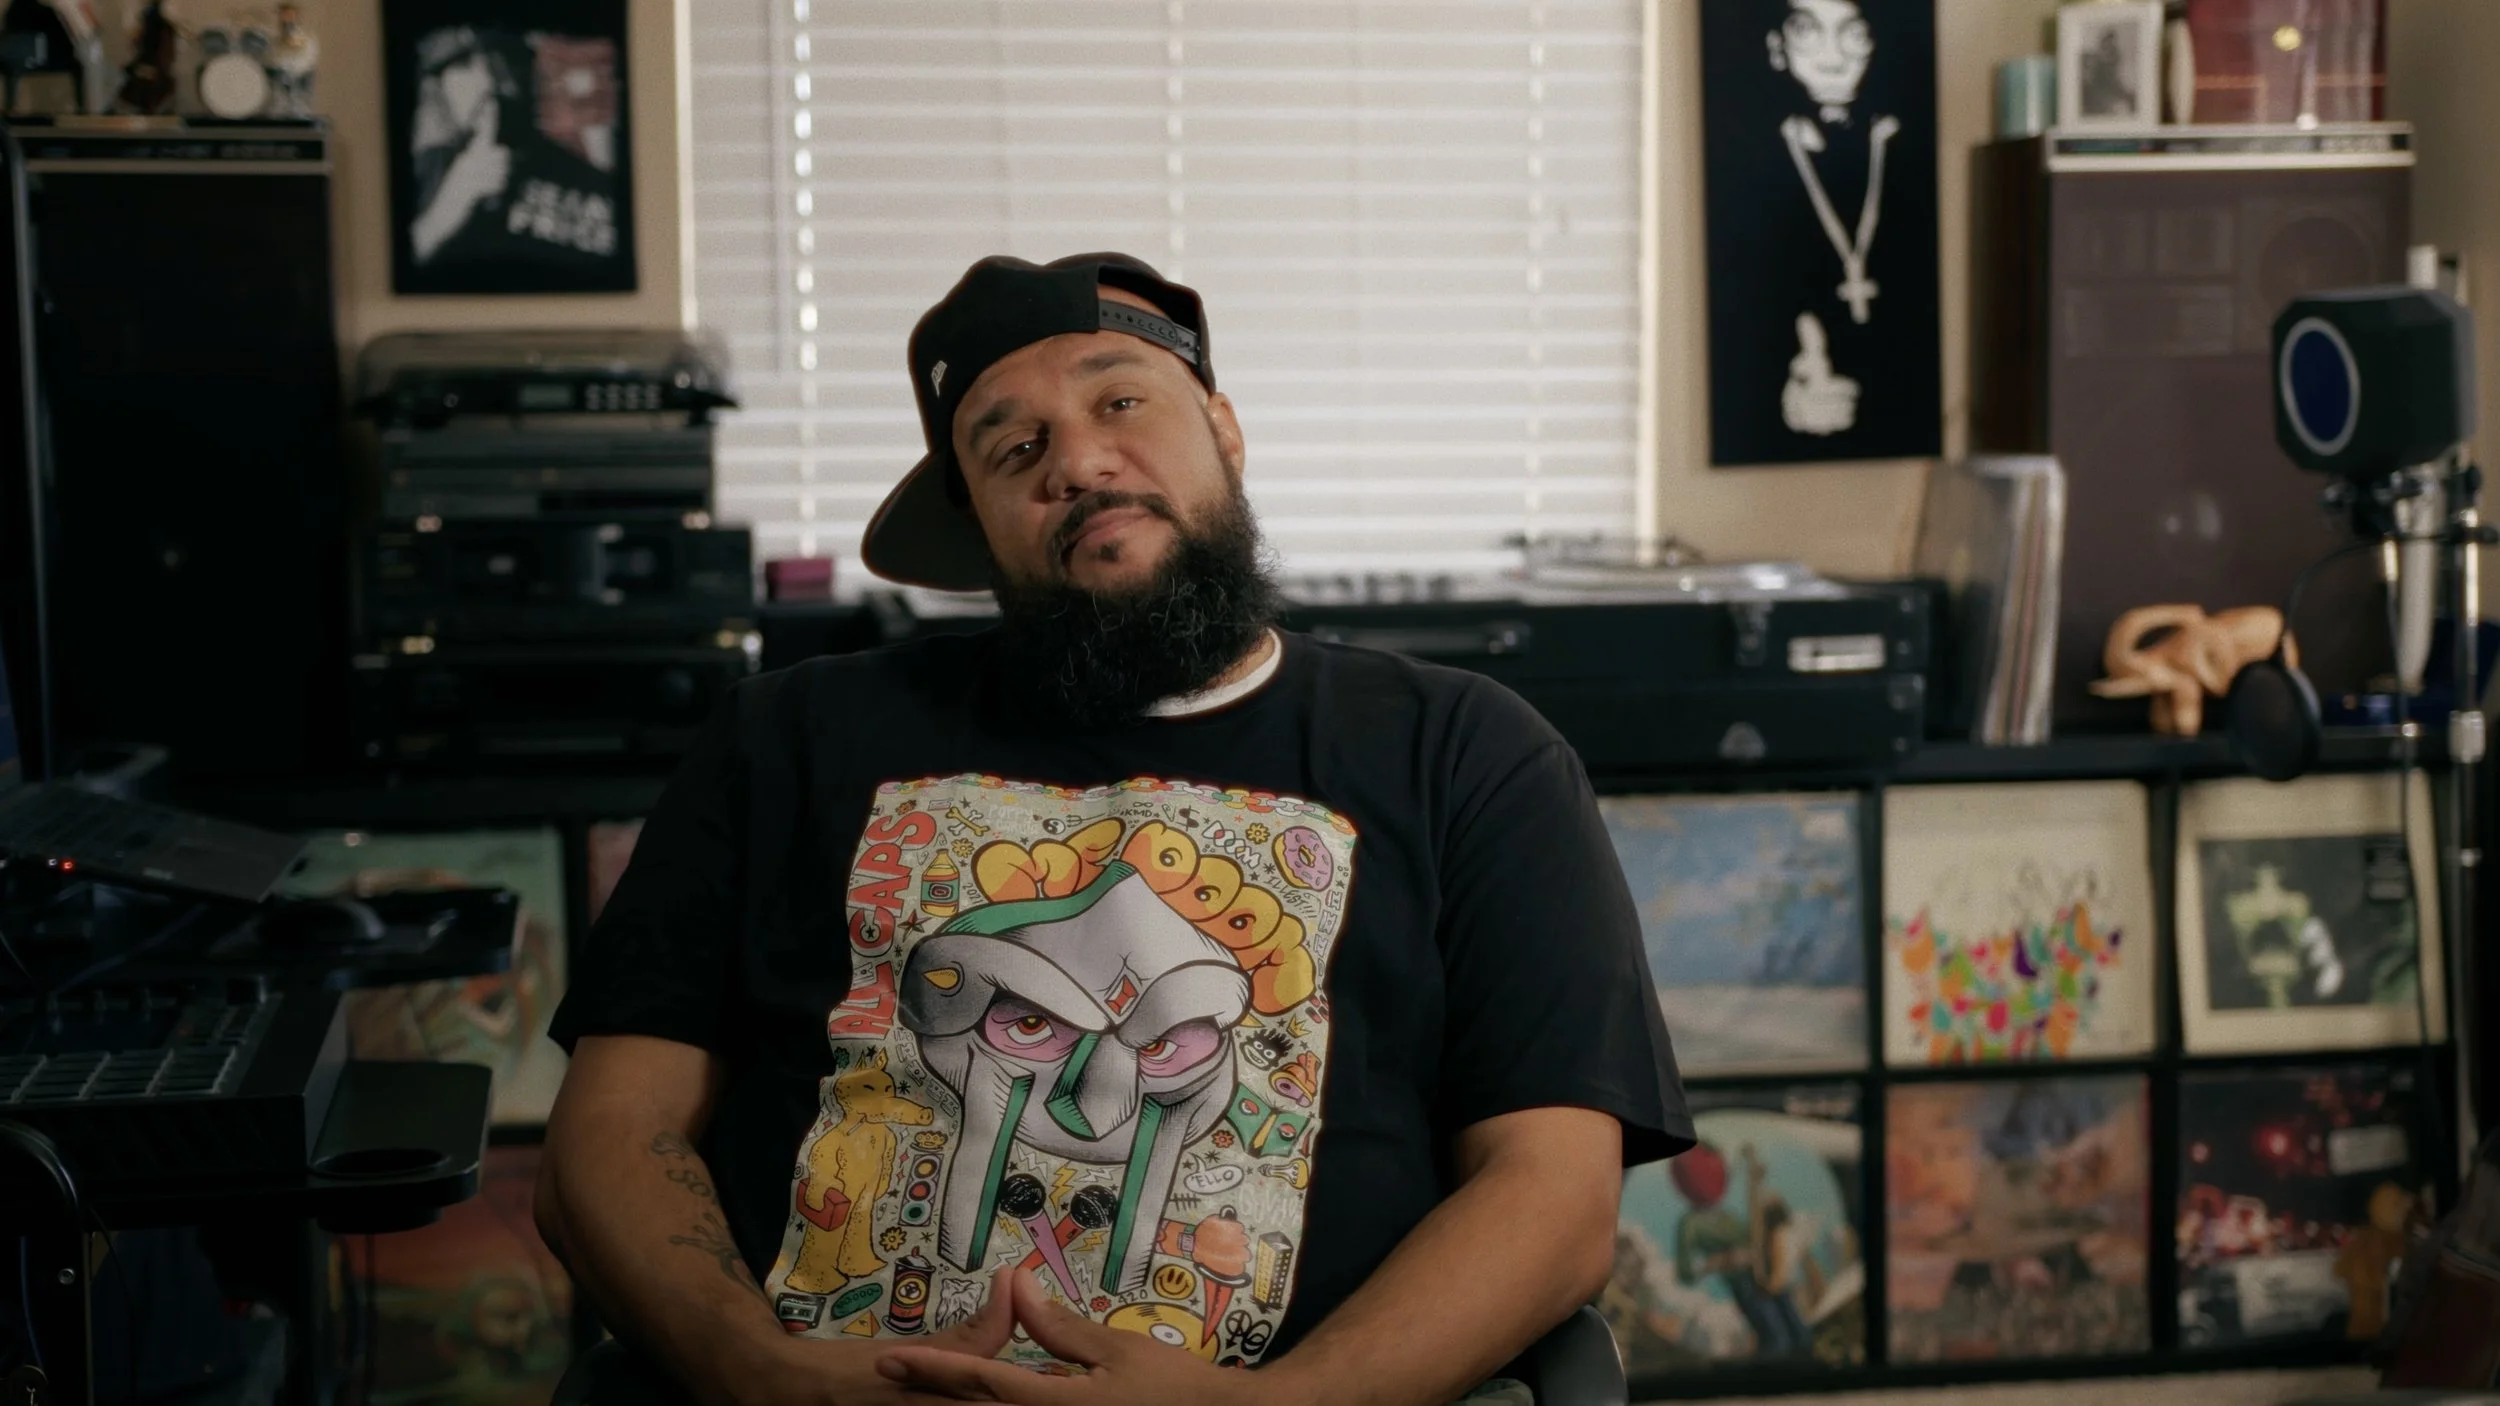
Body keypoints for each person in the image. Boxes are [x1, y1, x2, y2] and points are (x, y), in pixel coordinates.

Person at [536, 252, 1691, 1406]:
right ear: (979, 518)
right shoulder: (785, 737)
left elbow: (1554, 1188)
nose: (1079, 461)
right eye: (1012, 446)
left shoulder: (1465, 751)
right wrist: (759, 1371)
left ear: (1224, 430)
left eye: (1120, 400)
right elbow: (611, 1130)